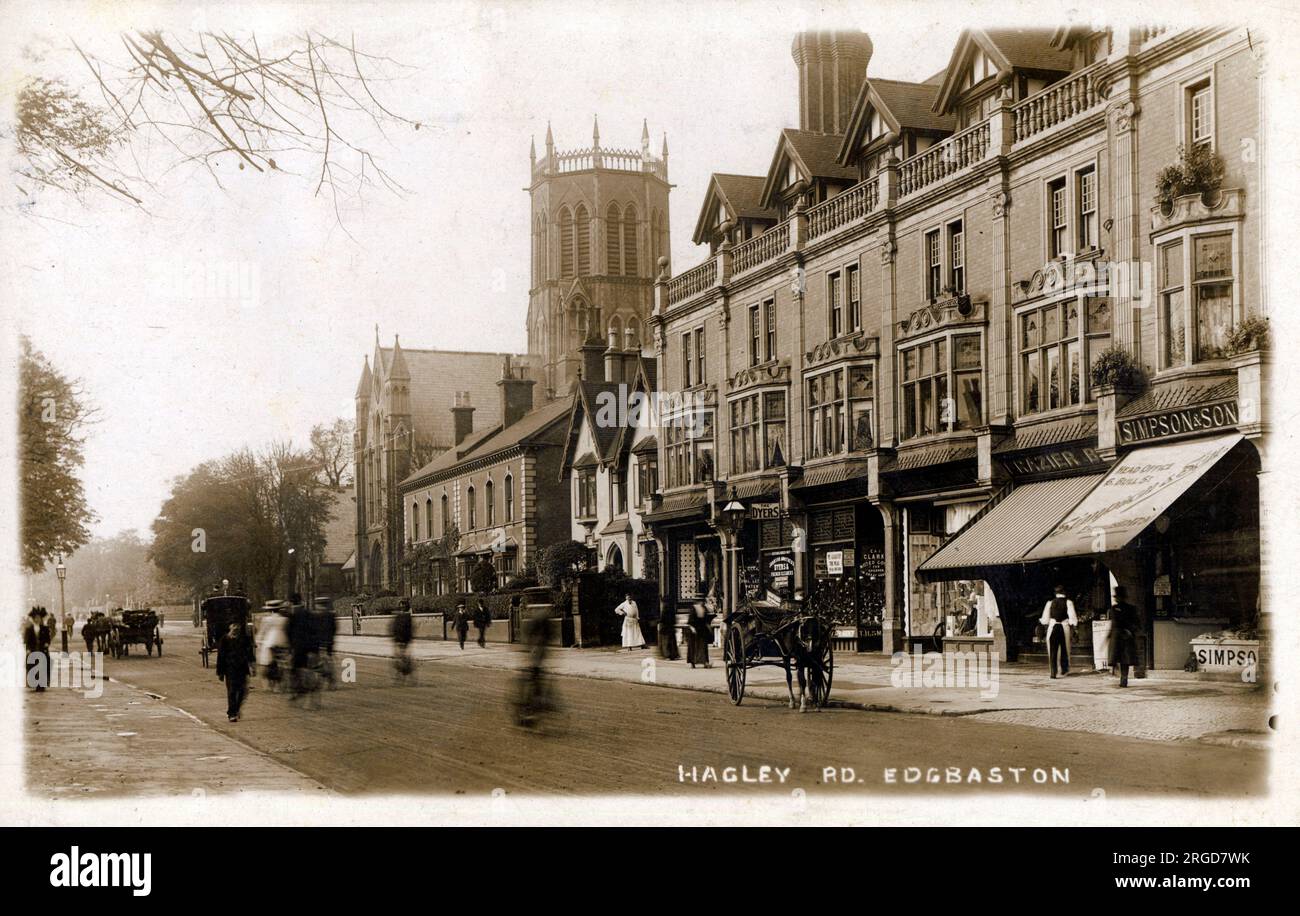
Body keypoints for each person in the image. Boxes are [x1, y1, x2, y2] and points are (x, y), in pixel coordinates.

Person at [216, 621, 253, 721]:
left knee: (242, 690)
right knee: (232, 691)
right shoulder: (224, 640)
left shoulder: (244, 639)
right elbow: (221, 657)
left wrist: (252, 666)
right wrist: (220, 672)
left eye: (237, 625)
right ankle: (232, 713)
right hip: (229, 669)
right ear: (230, 627)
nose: (235, 628)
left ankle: (236, 709)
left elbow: (249, 653)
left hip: (242, 668)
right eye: (233, 626)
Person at [1039, 584, 1078, 679]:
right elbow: (1072, 618)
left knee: (1052, 650)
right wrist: (1074, 627)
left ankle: (1053, 671)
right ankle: (1064, 669)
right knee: (1065, 649)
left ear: (1055, 593)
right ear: (1064, 592)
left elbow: (1045, 619)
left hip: (1053, 627)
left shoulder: (1050, 603)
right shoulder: (1068, 602)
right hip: (1064, 627)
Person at [1108, 586, 1140, 688]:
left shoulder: (1116, 609)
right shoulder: (1129, 609)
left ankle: (1124, 678)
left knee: (1122, 658)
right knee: (1123, 658)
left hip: (1121, 636)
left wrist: (1128, 630)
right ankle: (1123, 678)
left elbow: (1117, 623)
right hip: (1123, 636)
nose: (1117, 599)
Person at [256, 606, 290, 689]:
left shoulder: (267, 619)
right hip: (282, 641)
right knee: (282, 663)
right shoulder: (284, 619)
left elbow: (262, 631)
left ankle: (269, 683)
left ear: (270, 610)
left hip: (270, 641)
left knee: (267, 662)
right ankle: (280, 683)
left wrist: (258, 641)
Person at [22, 607, 52, 691]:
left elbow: (48, 639)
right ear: (33, 619)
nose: (37, 619)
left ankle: (41, 685)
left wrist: (47, 643)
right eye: (35, 618)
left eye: (38, 618)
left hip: (43, 650)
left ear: (41, 618)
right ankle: (35, 683)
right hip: (33, 650)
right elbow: (26, 641)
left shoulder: (44, 628)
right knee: (33, 667)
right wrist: (27, 649)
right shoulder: (29, 629)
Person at [391, 599, 414, 682]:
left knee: (402, 657)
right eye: (401, 606)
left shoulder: (407, 617)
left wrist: (408, 638)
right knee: (400, 657)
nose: (402, 608)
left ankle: (401, 675)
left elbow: (409, 629)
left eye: (403, 606)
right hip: (399, 639)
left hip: (404, 639)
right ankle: (402, 674)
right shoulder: (399, 616)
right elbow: (394, 628)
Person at [687, 599, 714, 669]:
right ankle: (692, 663)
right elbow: (690, 621)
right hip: (694, 630)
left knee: (703, 646)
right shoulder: (693, 608)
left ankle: (705, 662)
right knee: (693, 647)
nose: (702, 602)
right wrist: (692, 628)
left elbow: (706, 619)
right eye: (700, 601)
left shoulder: (704, 608)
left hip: (702, 629)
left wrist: (708, 626)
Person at [657, 596, 679, 660]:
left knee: (666, 642)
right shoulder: (672, 608)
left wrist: (658, 621)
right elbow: (674, 619)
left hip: (665, 627)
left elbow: (663, 619)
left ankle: (667, 655)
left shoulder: (665, 608)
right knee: (672, 642)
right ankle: (674, 655)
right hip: (671, 627)